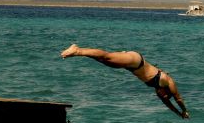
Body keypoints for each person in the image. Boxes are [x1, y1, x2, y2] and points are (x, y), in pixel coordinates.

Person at [60, 44, 190, 119]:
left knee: (104, 61)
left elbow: (168, 104)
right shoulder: (166, 80)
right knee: (107, 56)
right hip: (136, 61)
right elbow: (178, 98)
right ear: (166, 92)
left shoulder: (159, 90)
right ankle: (77, 50)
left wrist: (179, 114)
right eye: (163, 96)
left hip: (131, 67)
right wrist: (184, 110)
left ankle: (78, 53)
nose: (160, 96)